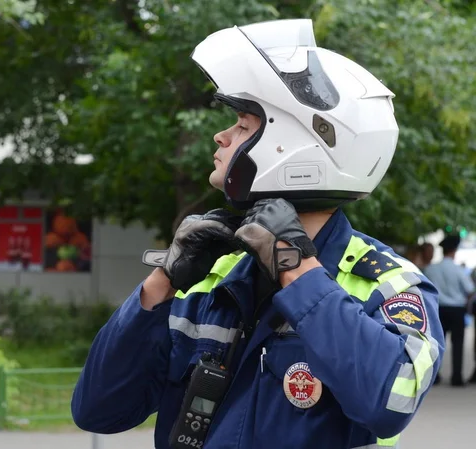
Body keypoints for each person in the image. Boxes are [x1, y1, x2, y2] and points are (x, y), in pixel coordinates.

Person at [72, 19, 444, 449]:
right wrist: (163, 283)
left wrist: (298, 272)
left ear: (297, 145)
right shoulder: (212, 278)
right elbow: (98, 409)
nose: (222, 135)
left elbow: (391, 402)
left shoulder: (388, 284)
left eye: (244, 126)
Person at [424, 235, 474, 386]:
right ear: (454, 251)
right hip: (457, 310)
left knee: (436, 343)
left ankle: (435, 376)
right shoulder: (458, 269)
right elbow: (470, 289)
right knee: (457, 344)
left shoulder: (430, 269)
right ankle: (456, 377)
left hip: (438, 309)